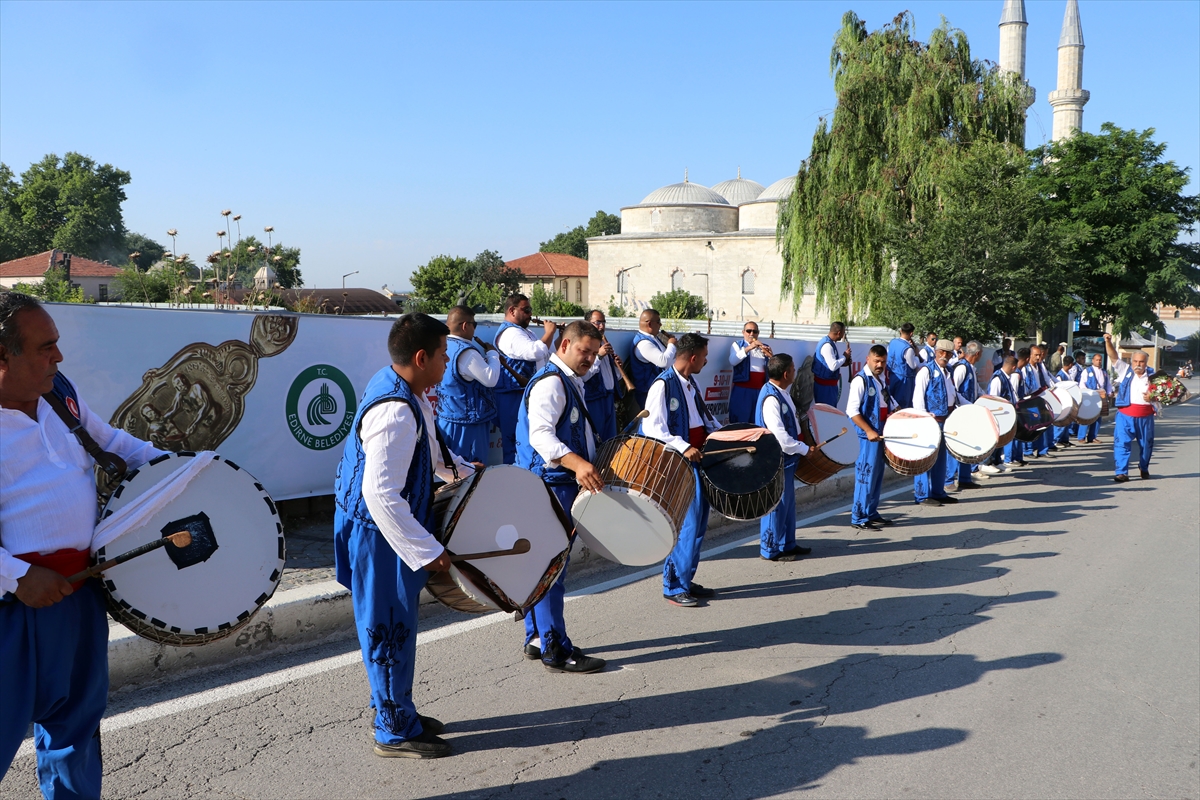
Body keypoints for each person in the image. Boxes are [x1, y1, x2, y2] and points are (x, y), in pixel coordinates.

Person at [1, 291, 166, 795]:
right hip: (13, 606)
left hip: (79, 595)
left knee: (75, 730)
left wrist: (183, 469)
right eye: (44, 347)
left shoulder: (59, 394)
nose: (59, 357)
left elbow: (113, 444)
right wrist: (18, 576)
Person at [333, 313, 476, 759]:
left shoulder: (404, 389)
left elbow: (430, 455)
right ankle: (393, 729)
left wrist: (471, 474)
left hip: (383, 529)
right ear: (421, 357)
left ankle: (398, 709)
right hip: (379, 534)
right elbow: (379, 494)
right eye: (442, 353)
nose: (447, 360)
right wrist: (428, 551)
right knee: (387, 630)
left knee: (395, 627)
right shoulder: (395, 411)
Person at [515, 321, 607, 673]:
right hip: (551, 484)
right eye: (583, 351)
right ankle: (557, 649)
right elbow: (541, 436)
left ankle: (537, 637)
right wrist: (577, 462)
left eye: (593, 352)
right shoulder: (553, 382)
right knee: (551, 569)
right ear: (565, 344)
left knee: (539, 568)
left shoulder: (567, 379)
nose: (588, 358)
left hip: (551, 482)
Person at [641, 333, 719, 607]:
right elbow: (652, 428)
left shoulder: (691, 384)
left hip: (698, 462)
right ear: (693, 357)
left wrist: (728, 436)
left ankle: (686, 577)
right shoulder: (662, 385)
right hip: (679, 464)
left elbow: (706, 421)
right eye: (705, 356)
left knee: (697, 526)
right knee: (686, 526)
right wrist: (684, 446)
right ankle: (673, 586)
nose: (707, 360)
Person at [754, 354, 811, 559]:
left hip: (788, 459)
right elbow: (780, 437)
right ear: (786, 373)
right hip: (777, 459)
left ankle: (787, 543)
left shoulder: (782, 392)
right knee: (776, 504)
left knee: (788, 503)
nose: (795, 372)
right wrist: (803, 449)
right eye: (794, 369)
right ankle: (770, 549)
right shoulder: (771, 397)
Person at [493, 294, 556, 463]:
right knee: (515, 443)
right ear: (512, 311)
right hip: (512, 395)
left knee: (530, 442)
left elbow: (545, 356)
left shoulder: (525, 332)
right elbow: (535, 352)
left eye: (530, 310)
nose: (530, 314)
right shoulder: (510, 333)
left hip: (525, 393)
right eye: (526, 310)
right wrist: (549, 332)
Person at [436, 305, 501, 463]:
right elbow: (490, 378)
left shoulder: (442, 346)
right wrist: (493, 354)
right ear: (465, 325)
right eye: (474, 324)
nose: (474, 330)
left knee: (450, 472)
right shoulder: (467, 352)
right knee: (470, 473)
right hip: (468, 425)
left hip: (446, 418)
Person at [847, 344, 898, 530]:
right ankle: (858, 517)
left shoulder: (881, 379)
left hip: (880, 435)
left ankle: (871, 512)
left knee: (876, 476)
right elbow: (851, 411)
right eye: (876, 361)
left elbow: (887, 402)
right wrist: (868, 431)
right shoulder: (860, 381)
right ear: (868, 359)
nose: (880, 364)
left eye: (883, 362)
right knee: (865, 476)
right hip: (866, 437)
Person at [1103, 334, 1156, 482]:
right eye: (1135, 361)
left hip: (1145, 417)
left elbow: (1164, 396)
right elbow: (1113, 357)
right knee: (1121, 443)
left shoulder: (1155, 376)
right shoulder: (1125, 370)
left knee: (1146, 445)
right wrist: (1108, 341)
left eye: (1141, 362)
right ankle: (1122, 472)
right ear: (1131, 362)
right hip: (1125, 415)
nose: (1138, 364)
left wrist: (1152, 398)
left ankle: (1144, 467)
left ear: (1146, 363)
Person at [911, 339, 958, 506]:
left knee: (940, 459)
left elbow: (955, 395)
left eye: (948, 353)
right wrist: (923, 419)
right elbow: (918, 398)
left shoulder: (949, 371)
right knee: (926, 458)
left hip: (945, 420)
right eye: (941, 352)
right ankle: (922, 495)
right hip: (931, 421)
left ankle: (938, 491)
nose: (944, 356)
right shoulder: (926, 371)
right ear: (936, 352)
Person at [949, 341, 988, 487]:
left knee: (968, 446)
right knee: (958, 446)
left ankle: (965, 479)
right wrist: (965, 405)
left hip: (970, 411)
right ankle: (951, 478)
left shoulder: (971, 368)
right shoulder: (961, 368)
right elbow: (955, 390)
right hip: (961, 412)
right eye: (981, 353)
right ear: (977, 354)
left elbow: (977, 389)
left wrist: (987, 399)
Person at [581, 310, 624, 441]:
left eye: (603, 322)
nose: (601, 326)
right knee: (596, 439)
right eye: (597, 323)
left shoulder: (605, 345)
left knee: (610, 439)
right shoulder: (584, 346)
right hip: (594, 400)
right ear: (587, 324)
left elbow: (615, 378)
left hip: (609, 398)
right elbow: (583, 376)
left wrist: (618, 367)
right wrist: (598, 356)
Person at [629, 309, 676, 410]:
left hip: (658, 391)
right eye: (658, 322)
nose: (660, 325)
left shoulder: (654, 338)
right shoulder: (644, 344)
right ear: (649, 323)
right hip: (648, 393)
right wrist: (671, 344)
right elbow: (664, 362)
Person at [728, 321, 772, 424]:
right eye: (748, 331)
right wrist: (749, 348)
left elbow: (772, 369)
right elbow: (733, 361)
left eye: (755, 331)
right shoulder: (737, 345)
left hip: (760, 390)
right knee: (740, 421)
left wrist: (771, 357)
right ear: (743, 332)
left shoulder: (764, 346)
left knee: (758, 422)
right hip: (743, 390)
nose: (752, 334)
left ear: (758, 333)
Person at [988, 355, 1023, 469]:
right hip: (998, 414)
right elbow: (994, 398)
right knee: (995, 439)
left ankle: (998, 462)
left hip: (1004, 414)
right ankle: (989, 462)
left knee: (1002, 439)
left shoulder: (1005, 377)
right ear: (1013, 367)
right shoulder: (998, 378)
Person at [1022, 345, 1057, 458]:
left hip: (1041, 398)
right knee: (1032, 426)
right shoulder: (1025, 368)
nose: (1038, 357)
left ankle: (1042, 450)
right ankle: (1028, 450)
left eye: (1039, 355)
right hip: (1030, 399)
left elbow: (1047, 379)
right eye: (1035, 355)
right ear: (1030, 356)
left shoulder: (1041, 366)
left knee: (1044, 424)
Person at [1076, 352, 1112, 444]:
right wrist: (1087, 393)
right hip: (1089, 397)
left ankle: (1092, 437)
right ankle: (1081, 437)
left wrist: (1109, 393)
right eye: (1097, 360)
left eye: (1100, 360)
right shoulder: (1087, 371)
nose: (1099, 361)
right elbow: (1082, 384)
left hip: (1100, 397)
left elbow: (1108, 384)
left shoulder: (1104, 372)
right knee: (1086, 417)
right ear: (1093, 361)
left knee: (1098, 418)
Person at [813, 321, 851, 406]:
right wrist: (844, 356)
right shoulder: (827, 345)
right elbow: (833, 366)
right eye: (843, 333)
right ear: (839, 333)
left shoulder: (829, 343)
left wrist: (843, 363)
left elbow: (829, 364)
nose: (843, 335)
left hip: (828, 387)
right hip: (825, 388)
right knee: (827, 413)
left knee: (829, 413)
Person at [886, 323, 921, 409]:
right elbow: (913, 365)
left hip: (892, 376)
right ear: (911, 333)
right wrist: (916, 356)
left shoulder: (892, 342)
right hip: (904, 380)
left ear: (901, 331)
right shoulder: (908, 348)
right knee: (903, 405)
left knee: (891, 402)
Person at [1053, 355, 1079, 448]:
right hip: (1062, 401)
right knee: (1061, 421)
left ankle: (1064, 440)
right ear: (1071, 364)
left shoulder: (1067, 374)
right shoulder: (1060, 375)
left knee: (1067, 421)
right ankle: (1056, 440)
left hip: (1069, 400)